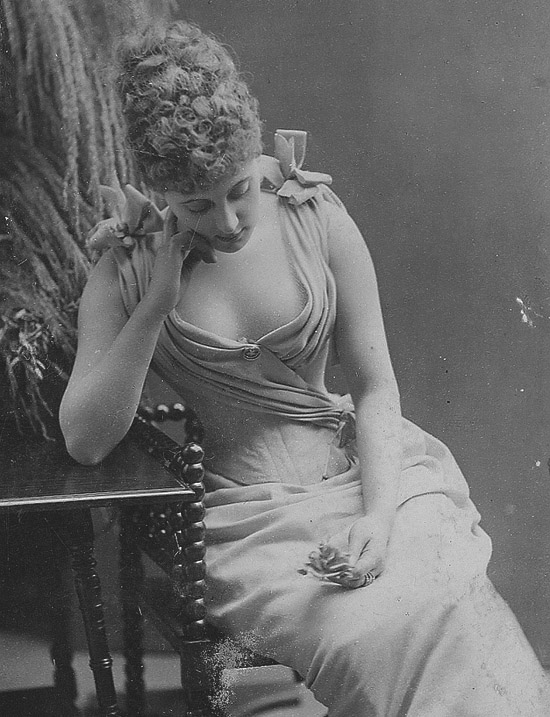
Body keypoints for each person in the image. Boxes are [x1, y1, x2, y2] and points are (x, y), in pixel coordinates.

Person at [59, 20, 550, 716]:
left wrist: (377, 518)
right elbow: (85, 440)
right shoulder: (129, 269)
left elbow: (375, 386)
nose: (228, 221)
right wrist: (154, 308)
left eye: (238, 189)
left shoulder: (310, 214)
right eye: (197, 205)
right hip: (252, 522)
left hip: (366, 475)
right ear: (158, 188)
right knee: (365, 631)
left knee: (450, 601)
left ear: (252, 151)